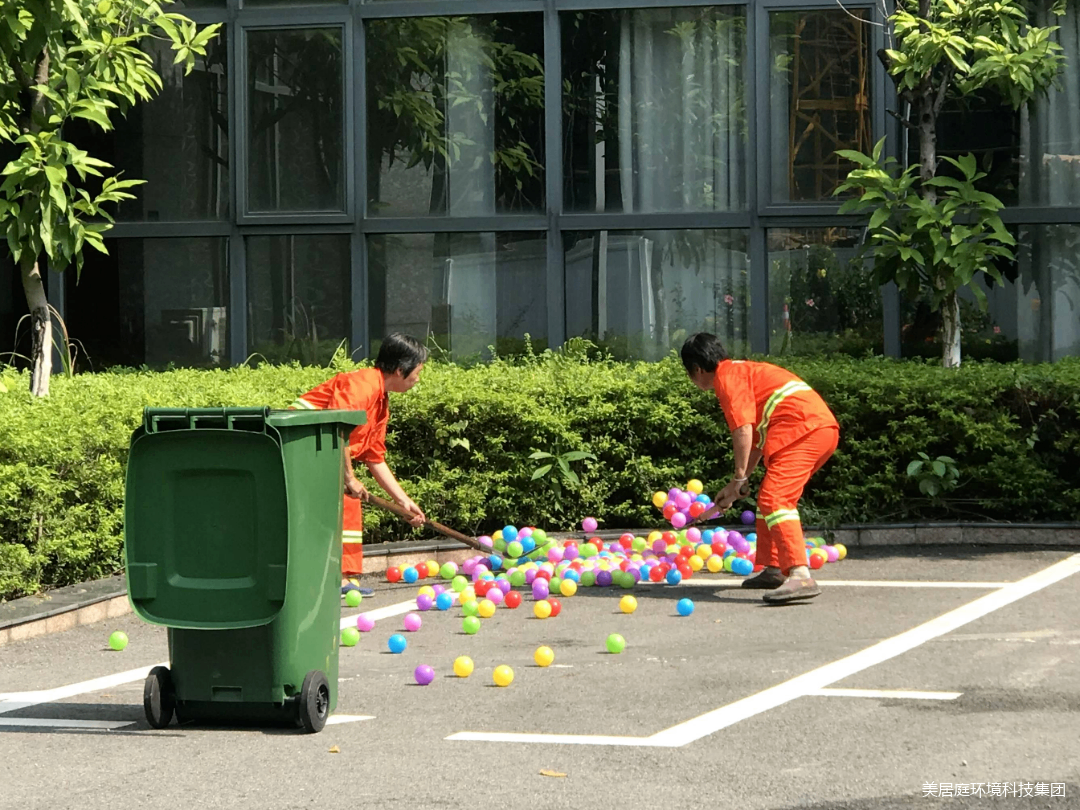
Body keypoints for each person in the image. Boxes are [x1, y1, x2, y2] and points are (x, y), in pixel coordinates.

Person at [681, 333, 839, 604]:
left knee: (775, 498)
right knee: (769, 497)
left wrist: (739, 477)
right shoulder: (740, 371)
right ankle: (774, 569)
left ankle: (799, 573)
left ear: (696, 369)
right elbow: (754, 440)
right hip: (812, 429)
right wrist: (737, 484)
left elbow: (742, 429)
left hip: (803, 429)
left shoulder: (726, 379)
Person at [290, 333, 428, 596]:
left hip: (320, 455)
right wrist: (349, 478)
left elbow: (375, 457)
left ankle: (340, 578)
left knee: (348, 505)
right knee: (346, 503)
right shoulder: (362, 385)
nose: (417, 379)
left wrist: (403, 501)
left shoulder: (380, 401)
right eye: (417, 373)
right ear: (400, 370)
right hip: (301, 448)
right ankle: (337, 579)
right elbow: (337, 430)